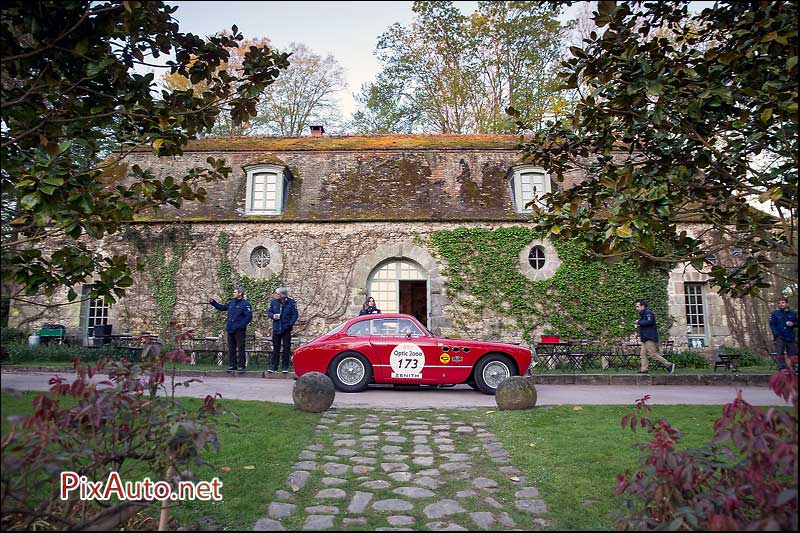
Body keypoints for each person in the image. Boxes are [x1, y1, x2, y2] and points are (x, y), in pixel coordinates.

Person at [209, 287, 252, 372]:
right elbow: (222, 308)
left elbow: (248, 317)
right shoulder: (231, 303)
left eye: (235, 292)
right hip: (230, 329)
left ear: (240, 294)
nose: (233, 293)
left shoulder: (245, 304)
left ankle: (241, 366)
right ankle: (232, 365)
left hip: (239, 330)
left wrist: (241, 325)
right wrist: (213, 302)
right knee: (231, 348)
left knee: (240, 348)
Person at [635, 299, 675, 374]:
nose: (636, 308)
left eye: (638, 306)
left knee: (653, 354)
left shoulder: (648, 313)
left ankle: (669, 365)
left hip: (649, 337)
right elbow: (645, 323)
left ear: (642, 306)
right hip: (645, 338)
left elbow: (649, 322)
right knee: (642, 354)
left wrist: (639, 322)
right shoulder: (643, 314)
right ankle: (644, 369)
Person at [268, 287, 298, 373]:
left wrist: (289, 324)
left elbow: (295, 315)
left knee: (286, 347)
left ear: (282, 295)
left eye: (277, 294)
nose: (275, 295)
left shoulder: (291, 303)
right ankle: (274, 366)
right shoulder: (274, 302)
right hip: (276, 328)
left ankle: (285, 366)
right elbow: (270, 312)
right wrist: (273, 316)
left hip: (286, 329)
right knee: (276, 348)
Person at [769, 296, 797, 370]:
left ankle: (793, 368)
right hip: (779, 337)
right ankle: (782, 369)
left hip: (790, 337)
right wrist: (776, 334)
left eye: (783, 303)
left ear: (786, 303)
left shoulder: (793, 313)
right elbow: (772, 325)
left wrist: (793, 324)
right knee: (780, 354)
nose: (781, 304)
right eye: (779, 303)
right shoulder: (774, 314)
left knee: (792, 354)